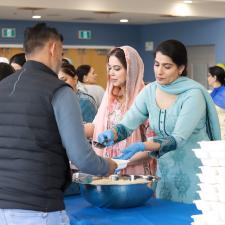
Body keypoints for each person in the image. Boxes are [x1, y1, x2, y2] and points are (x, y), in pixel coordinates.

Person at [0, 23, 117, 225]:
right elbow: (82, 157)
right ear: (53, 48)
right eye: (62, 52)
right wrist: (108, 166)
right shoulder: (59, 91)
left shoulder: (3, 86)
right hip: (39, 207)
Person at [97, 40, 221, 203]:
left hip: (195, 172)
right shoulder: (150, 90)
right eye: (156, 64)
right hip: (166, 172)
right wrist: (112, 133)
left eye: (167, 66)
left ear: (181, 68)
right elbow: (128, 123)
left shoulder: (193, 94)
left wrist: (143, 145)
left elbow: (178, 138)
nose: (159, 71)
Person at [85, 46, 156, 175]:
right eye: (110, 68)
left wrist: (123, 160)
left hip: (135, 170)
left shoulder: (144, 99)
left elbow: (153, 146)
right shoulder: (111, 99)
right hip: (109, 168)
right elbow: (96, 127)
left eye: (117, 69)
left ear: (131, 70)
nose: (111, 73)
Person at [208, 64, 225, 139]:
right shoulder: (211, 94)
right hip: (213, 131)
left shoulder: (223, 94)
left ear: (214, 77)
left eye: (209, 76)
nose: (207, 78)